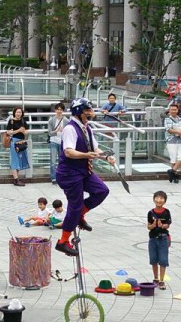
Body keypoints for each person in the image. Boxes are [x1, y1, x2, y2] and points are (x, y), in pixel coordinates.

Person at [55, 97, 116, 256]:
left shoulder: (86, 128)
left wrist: (106, 157)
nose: (91, 113)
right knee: (74, 206)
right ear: (79, 112)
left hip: (83, 171)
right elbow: (68, 151)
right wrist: (85, 155)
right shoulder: (70, 128)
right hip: (70, 173)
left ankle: (80, 215)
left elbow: (95, 149)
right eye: (87, 110)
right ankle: (63, 241)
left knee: (102, 191)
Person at [147, 190, 171, 291]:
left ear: (164, 201)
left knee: (163, 260)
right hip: (152, 239)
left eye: (161, 198)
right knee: (153, 260)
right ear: (154, 199)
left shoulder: (166, 212)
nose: (159, 200)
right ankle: (155, 278)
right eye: (157, 198)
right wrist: (153, 225)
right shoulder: (150, 212)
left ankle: (161, 280)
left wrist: (162, 225)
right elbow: (148, 226)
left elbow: (168, 224)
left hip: (163, 239)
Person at [7, 107, 29, 186]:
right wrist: (18, 130)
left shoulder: (23, 121)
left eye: (20, 112)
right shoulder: (11, 121)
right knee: (14, 161)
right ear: (14, 113)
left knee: (19, 161)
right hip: (14, 142)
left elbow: (27, 131)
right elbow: (8, 132)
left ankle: (17, 178)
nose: (18, 114)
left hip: (21, 142)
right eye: (17, 112)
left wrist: (24, 131)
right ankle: (16, 179)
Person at [47, 103, 69, 184]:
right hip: (53, 141)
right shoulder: (52, 120)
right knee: (53, 161)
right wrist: (56, 131)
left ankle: (61, 176)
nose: (59, 111)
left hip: (62, 142)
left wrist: (63, 131)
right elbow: (49, 133)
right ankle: (53, 178)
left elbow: (68, 132)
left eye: (61, 109)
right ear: (55, 110)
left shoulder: (66, 120)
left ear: (63, 110)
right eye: (58, 109)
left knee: (62, 161)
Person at [164, 104, 181, 183]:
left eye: (175, 109)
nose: (173, 111)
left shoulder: (180, 119)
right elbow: (169, 130)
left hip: (180, 140)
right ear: (169, 111)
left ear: (177, 110)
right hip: (171, 140)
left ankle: (171, 171)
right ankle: (175, 176)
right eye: (172, 109)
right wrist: (179, 131)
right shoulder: (167, 119)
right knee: (173, 159)